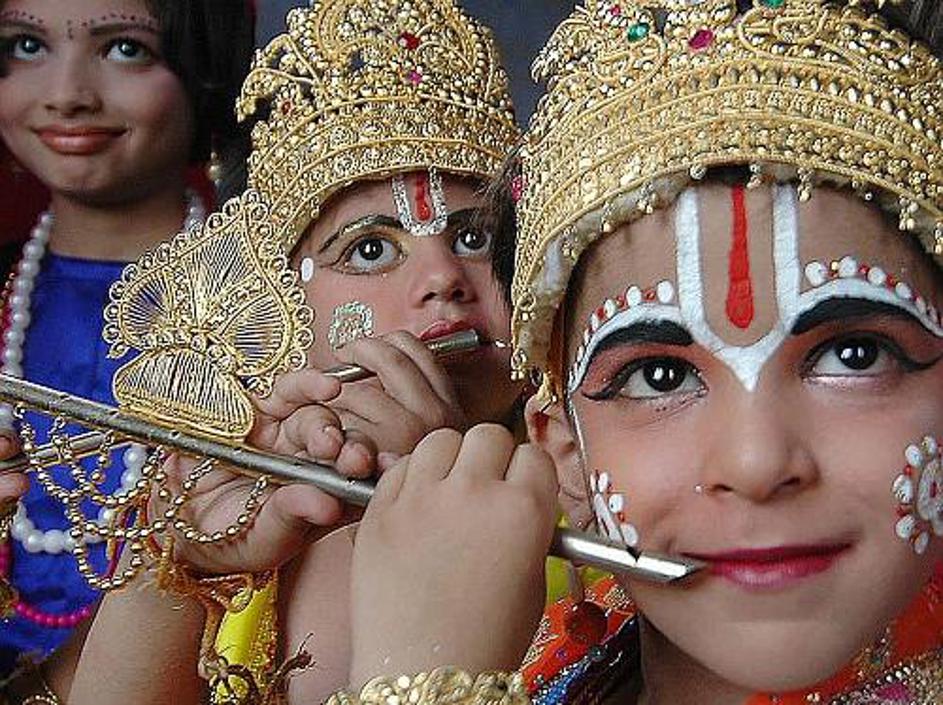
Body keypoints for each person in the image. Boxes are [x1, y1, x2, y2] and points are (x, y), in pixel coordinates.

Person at [342, 0, 943, 703]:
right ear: (565, 452)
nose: (755, 464)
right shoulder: (557, 670)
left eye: (855, 356)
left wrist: (422, 680)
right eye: (659, 376)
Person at [0, 0, 254, 672]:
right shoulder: (9, 293)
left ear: (204, 64)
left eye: (125, 49)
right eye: (26, 46)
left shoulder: (264, 313)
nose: (67, 95)